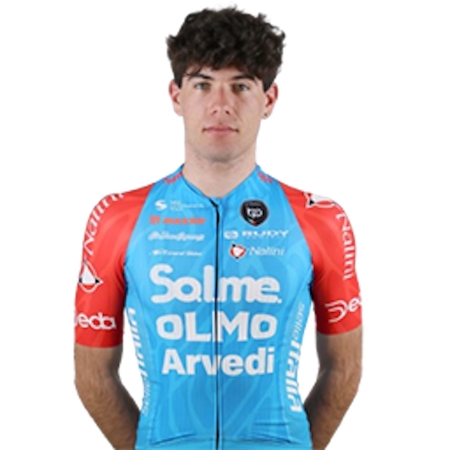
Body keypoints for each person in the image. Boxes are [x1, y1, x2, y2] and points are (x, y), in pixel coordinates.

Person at [74, 7, 362, 450]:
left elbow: (344, 368)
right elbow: (92, 373)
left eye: (241, 86)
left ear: (269, 100)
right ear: (176, 96)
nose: (221, 105)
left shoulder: (320, 220)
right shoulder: (117, 218)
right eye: (202, 84)